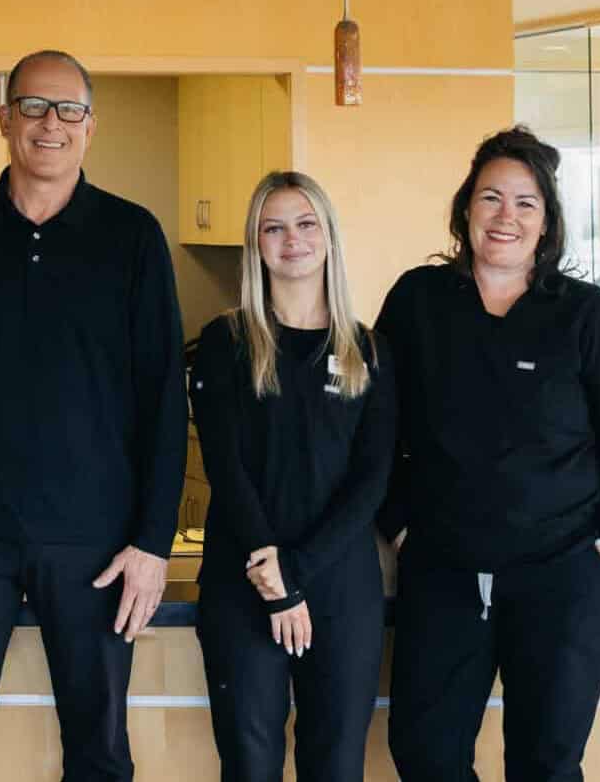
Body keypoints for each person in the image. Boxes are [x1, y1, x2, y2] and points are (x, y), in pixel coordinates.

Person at [0, 49, 189, 782]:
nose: (51, 123)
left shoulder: (132, 236)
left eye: (69, 110)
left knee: (100, 755)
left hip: (97, 544)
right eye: (33, 106)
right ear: (3, 118)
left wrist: (153, 542)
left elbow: (163, 401)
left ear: (91, 126)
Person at [374, 125, 600, 782]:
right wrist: (401, 524)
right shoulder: (418, 300)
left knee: (546, 764)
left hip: (564, 573)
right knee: (425, 754)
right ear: (465, 208)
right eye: (491, 197)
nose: (507, 216)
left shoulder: (587, 314)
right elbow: (376, 425)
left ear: (547, 221)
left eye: (526, 202)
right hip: (443, 570)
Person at [188, 171, 397, 782]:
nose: (292, 240)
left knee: (335, 765)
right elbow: (226, 467)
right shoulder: (225, 341)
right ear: (255, 244)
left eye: (306, 224)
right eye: (273, 228)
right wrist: (273, 576)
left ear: (329, 236)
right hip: (243, 583)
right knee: (250, 764)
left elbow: (372, 478)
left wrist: (296, 573)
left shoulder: (368, 350)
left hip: (340, 586)